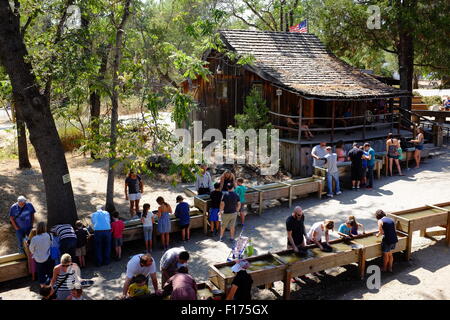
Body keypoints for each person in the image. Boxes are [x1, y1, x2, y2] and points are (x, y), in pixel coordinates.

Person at [29, 221, 54, 287]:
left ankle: (44, 290)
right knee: (50, 274)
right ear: (45, 228)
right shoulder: (49, 235)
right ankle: (51, 288)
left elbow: (31, 249)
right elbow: (51, 244)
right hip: (48, 257)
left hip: (38, 259)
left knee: (41, 276)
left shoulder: (34, 238)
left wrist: (35, 253)